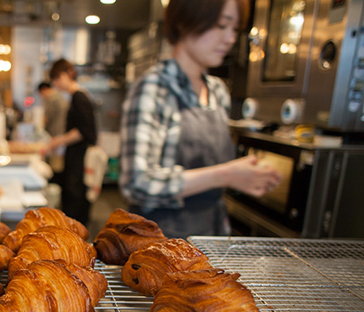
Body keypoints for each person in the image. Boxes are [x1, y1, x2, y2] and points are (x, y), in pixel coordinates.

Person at [119, 0, 281, 238]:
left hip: (212, 235)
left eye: (234, 29)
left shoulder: (217, 91)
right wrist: (226, 175)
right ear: (186, 23)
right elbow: (137, 183)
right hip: (161, 242)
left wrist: (250, 178)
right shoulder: (154, 89)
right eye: (221, 25)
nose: (230, 39)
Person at [42, 59, 97, 226]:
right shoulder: (75, 97)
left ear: (68, 74)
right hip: (75, 155)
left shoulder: (79, 97)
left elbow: (84, 131)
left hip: (79, 156)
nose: (55, 83)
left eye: (57, 78)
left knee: (75, 197)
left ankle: (78, 240)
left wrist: (58, 141)